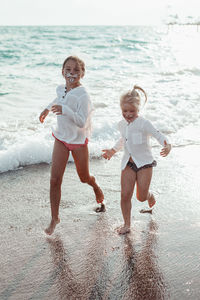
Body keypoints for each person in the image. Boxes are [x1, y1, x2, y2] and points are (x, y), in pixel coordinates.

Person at [39, 55, 104, 235]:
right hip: (61, 138)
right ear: (62, 72)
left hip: (77, 141)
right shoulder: (61, 88)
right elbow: (57, 100)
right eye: (68, 69)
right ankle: (54, 218)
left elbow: (82, 121)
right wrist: (47, 109)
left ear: (82, 73)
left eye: (76, 70)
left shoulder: (83, 95)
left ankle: (95, 186)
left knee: (83, 177)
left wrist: (65, 110)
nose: (72, 73)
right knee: (54, 179)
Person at [102, 85, 171, 235]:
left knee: (140, 197)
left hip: (145, 164)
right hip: (128, 163)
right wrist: (112, 151)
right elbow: (123, 139)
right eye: (124, 111)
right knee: (125, 195)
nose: (128, 114)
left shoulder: (144, 123)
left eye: (131, 111)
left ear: (138, 109)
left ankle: (149, 195)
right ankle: (127, 224)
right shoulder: (121, 124)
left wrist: (167, 145)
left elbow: (158, 134)